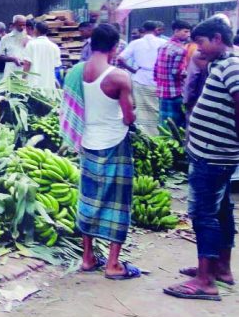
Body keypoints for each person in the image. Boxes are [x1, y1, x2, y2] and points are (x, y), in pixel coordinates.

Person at [165, 17, 239, 300]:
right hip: (209, 152)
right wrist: (203, 52)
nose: (198, 49)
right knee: (220, 210)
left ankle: (204, 281)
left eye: (203, 42)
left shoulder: (232, 67)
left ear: (218, 38)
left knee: (203, 214)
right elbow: (198, 61)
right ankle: (221, 268)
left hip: (215, 153)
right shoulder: (221, 62)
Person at [77, 23, 139, 280]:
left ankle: (88, 257)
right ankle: (113, 264)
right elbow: (128, 117)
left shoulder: (78, 71)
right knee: (117, 201)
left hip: (88, 141)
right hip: (114, 142)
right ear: (115, 47)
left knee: (89, 198)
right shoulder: (119, 77)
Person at [118, 20, 167, 136]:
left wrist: (132, 70)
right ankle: (157, 134)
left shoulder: (136, 43)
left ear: (143, 30)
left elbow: (120, 59)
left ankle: (143, 135)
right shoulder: (164, 43)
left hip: (140, 78)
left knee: (141, 109)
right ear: (156, 30)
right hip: (159, 79)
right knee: (157, 108)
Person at [153, 20, 192, 129]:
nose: (188, 34)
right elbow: (176, 72)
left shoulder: (163, 46)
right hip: (175, 92)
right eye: (185, 31)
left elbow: (156, 69)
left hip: (162, 91)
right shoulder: (181, 50)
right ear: (176, 31)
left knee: (164, 125)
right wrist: (188, 74)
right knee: (176, 127)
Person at [22, 21, 62, 91]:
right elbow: (56, 67)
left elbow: (27, 64)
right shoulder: (54, 47)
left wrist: (23, 78)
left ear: (36, 30)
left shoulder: (31, 44)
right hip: (48, 85)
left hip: (33, 84)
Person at [0, 15, 30, 82]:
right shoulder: (5, 39)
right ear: (13, 25)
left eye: (24, 25)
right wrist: (13, 59)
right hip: (10, 74)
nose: (22, 27)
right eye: (20, 25)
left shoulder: (30, 39)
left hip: (25, 76)